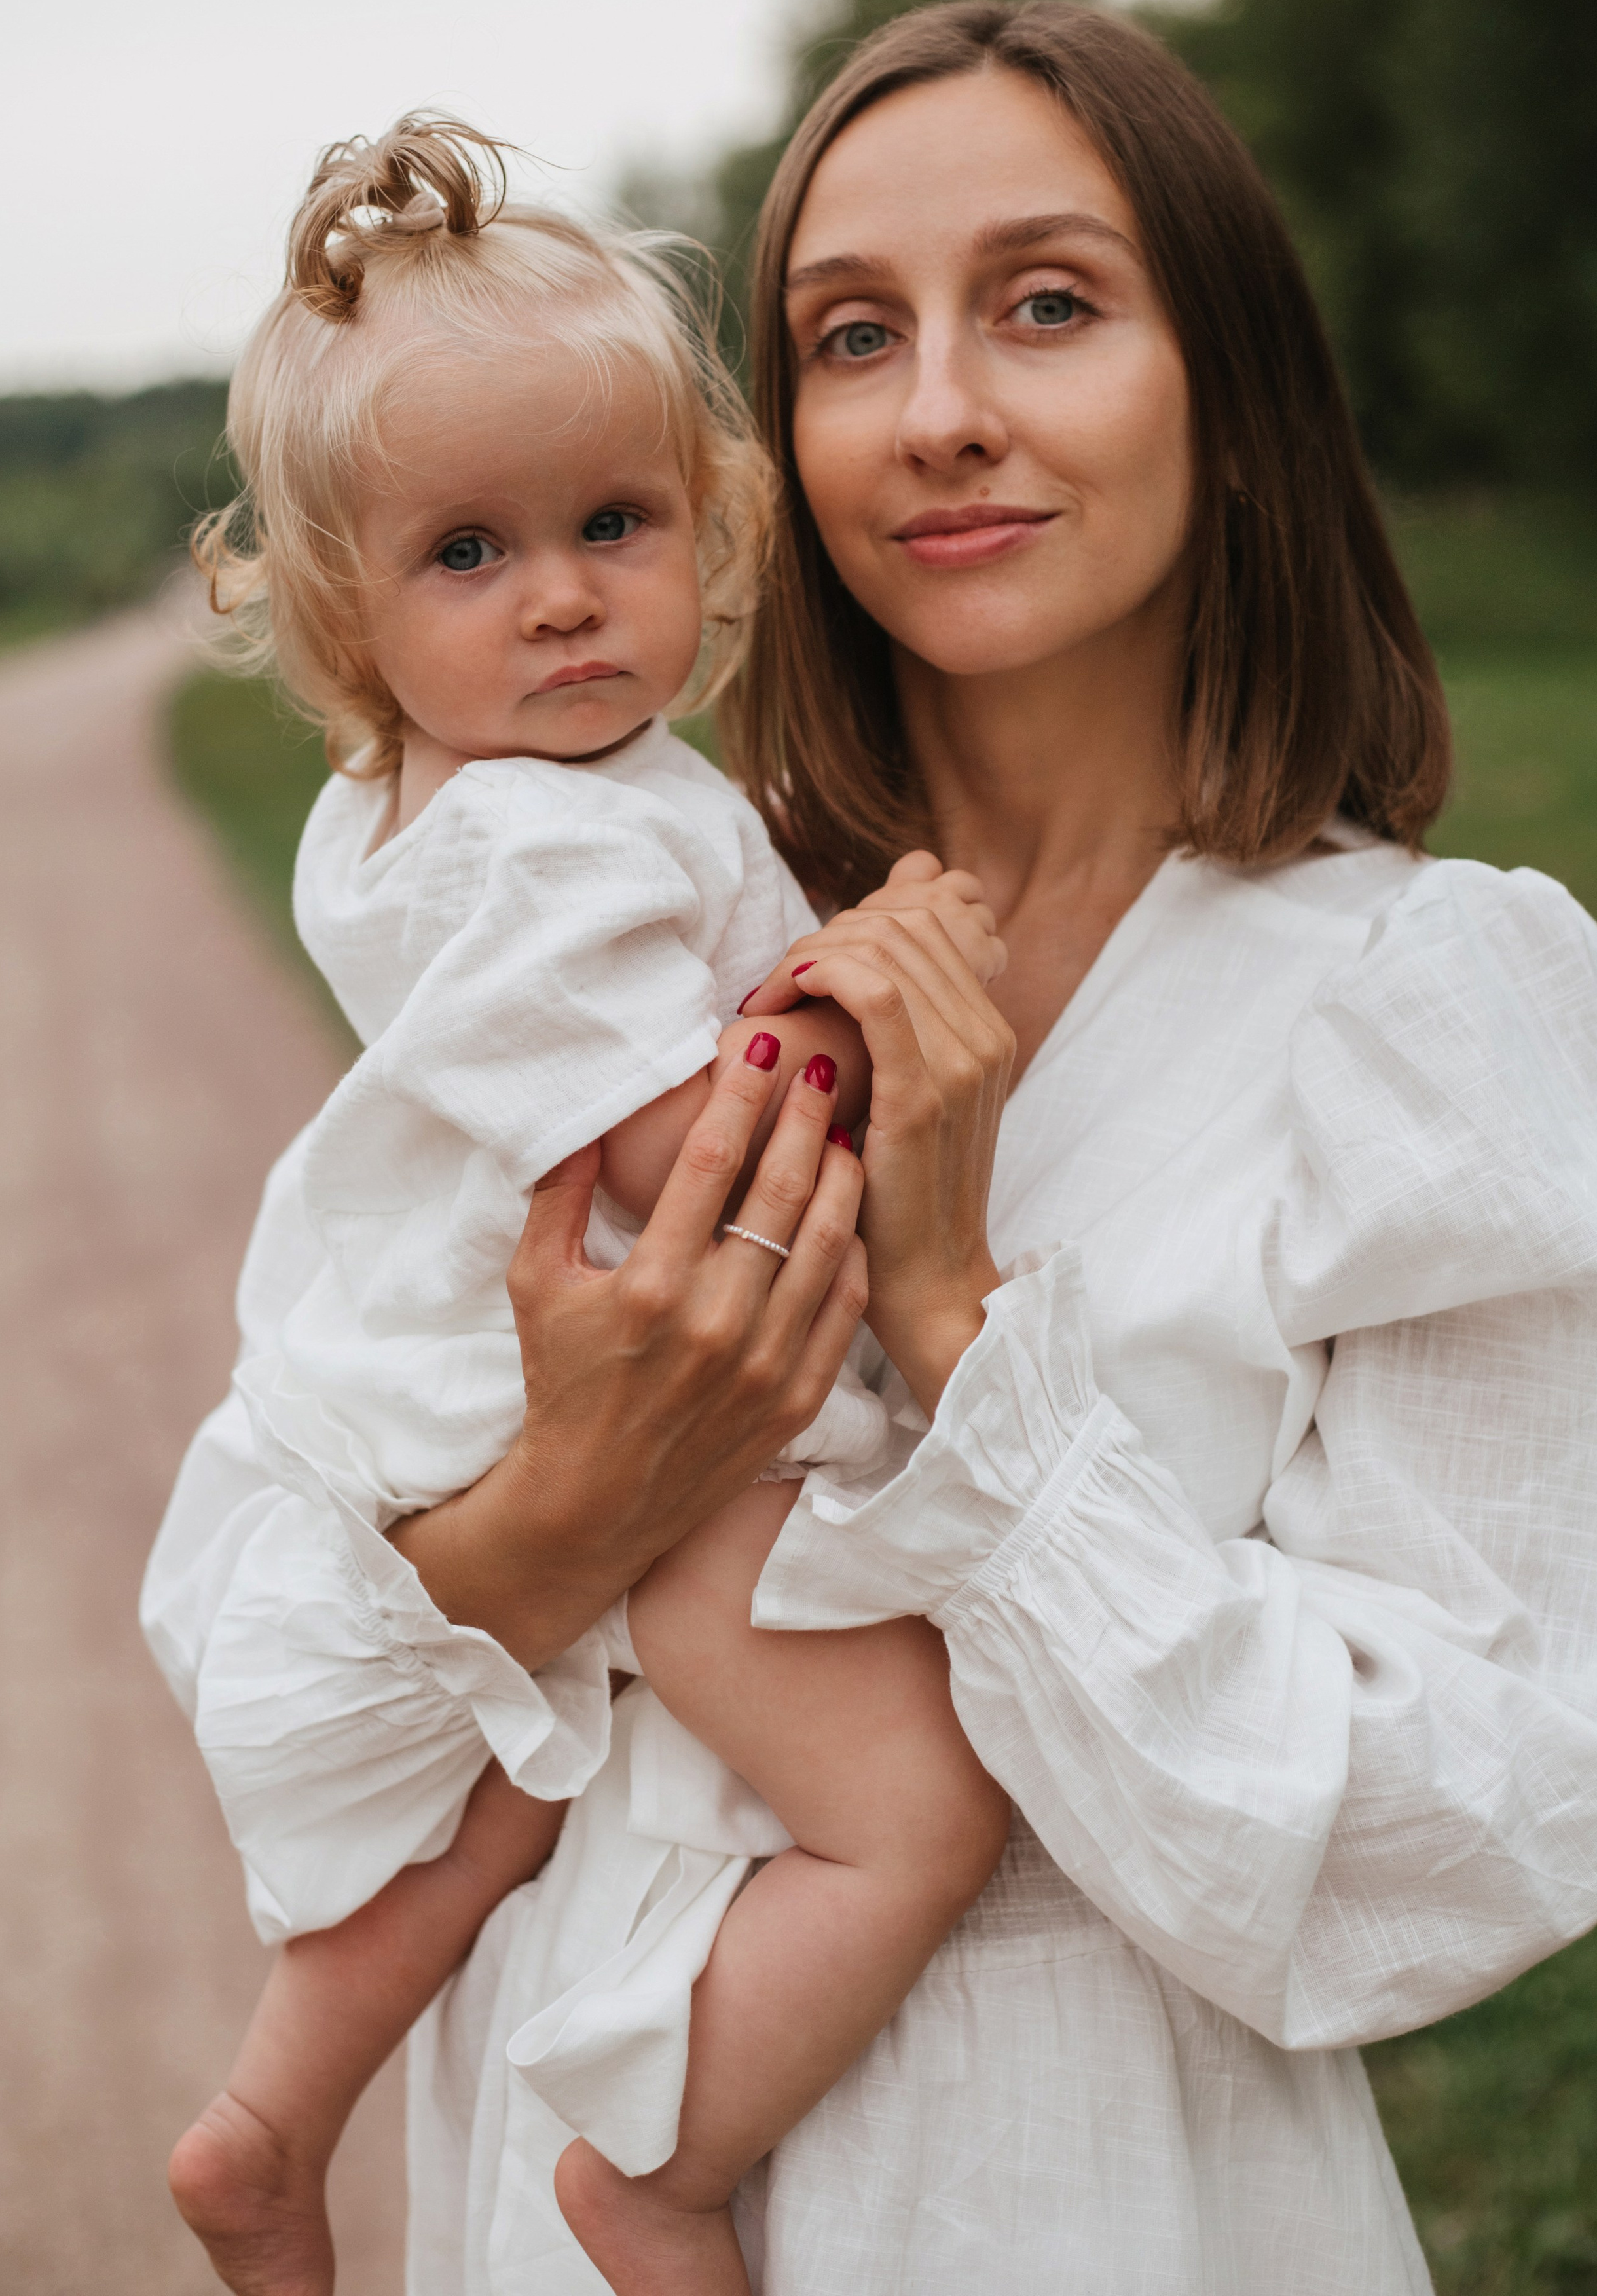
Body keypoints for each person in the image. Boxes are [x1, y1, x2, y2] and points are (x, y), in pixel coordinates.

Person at [143, 0, 1597, 2293]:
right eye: (852, 336)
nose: (940, 411)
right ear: (783, 445)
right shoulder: (651, 910)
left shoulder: (1409, 1004)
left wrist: (950, 1311)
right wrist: (568, 1500)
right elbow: (265, 1700)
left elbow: (1440, 1841)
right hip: (531, 2174)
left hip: (1069, 2194)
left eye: (1048, 304)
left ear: (1227, 392)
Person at [158, 115, 1010, 2296]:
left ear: (702, 529)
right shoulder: (556, 844)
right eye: (469, 553)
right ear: (347, 604)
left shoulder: (422, 806)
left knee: (502, 1788)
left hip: (450, 1378)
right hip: (620, 1385)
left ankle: (275, 2117)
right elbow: (676, 1152)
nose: (557, 593)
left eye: (610, 523)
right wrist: (856, 996)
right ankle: (666, 2171)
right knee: (914, 1818)